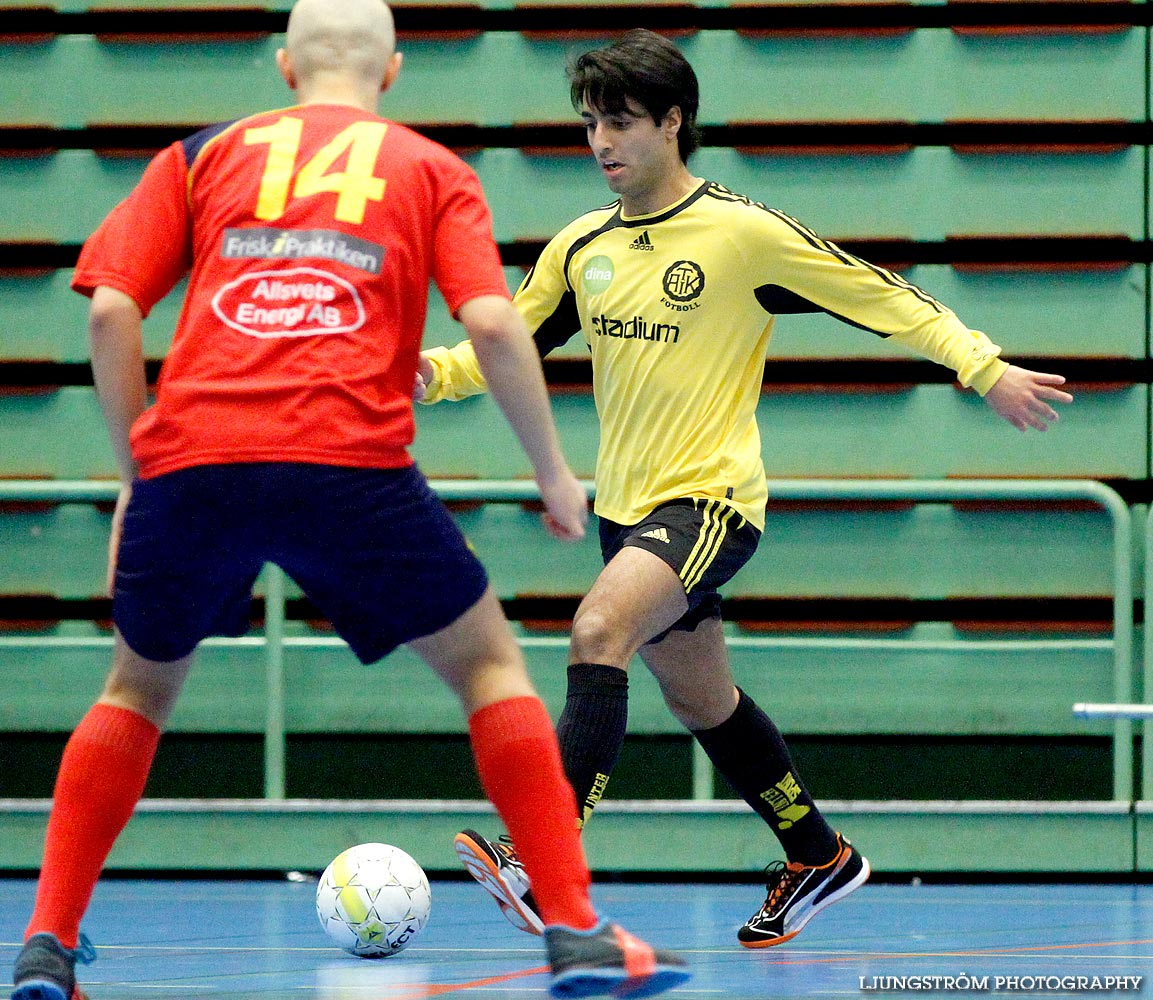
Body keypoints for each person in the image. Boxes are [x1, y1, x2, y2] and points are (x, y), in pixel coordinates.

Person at [9, 6, 693, 1000]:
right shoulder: (425, 167)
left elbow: (113, 307)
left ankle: (46, 944)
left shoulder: (200, 157)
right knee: (488, 663)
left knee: (136, 692)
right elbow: (496, 323)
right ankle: (576, 932)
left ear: (286, 65)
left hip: (194, 459)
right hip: (348, 460)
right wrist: (552, 471)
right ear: (395, 70)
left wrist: (134, 475)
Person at [419, 28, 1074, 949]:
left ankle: (543, 852)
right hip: (627, 511)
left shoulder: (740, 233)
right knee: (702, 701)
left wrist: (983, 368)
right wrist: (426, 375)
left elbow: (880, 294)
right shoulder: (581, 247)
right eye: (589, 125)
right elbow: (503, 345)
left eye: (621, 123)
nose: (602, 142)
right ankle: (818, 854)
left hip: (710, 502)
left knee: (597, 631)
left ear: (674, 121)